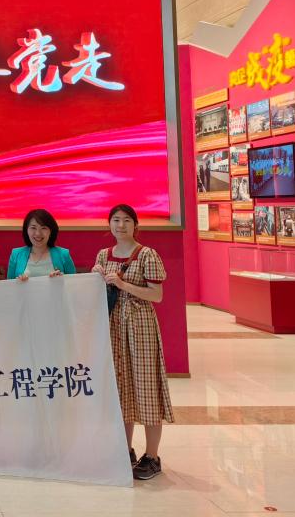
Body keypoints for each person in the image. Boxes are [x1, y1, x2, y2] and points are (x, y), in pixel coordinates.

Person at [91, 204, 174, 481]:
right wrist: (96, 278)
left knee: (146, 387)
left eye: (126, 220)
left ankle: (152, 456)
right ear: (109, 224)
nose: (121, 225)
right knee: (121, 389)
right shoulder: (103, 255)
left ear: (135, 225)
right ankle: (124, 449)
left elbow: (157, 295)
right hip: (113, 326)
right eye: (115, 220)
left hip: (140, 326)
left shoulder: (147, 254)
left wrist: (123, 284)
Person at [7, 208, 76, 280]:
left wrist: (62, 280)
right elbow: (8, 285)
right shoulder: (16, 254)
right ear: (26, 230)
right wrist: (18, 283)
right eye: (33, 228)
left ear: (51, 231)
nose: (38, 233)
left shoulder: (63, 254)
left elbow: (74, 283)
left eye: (43, 228)